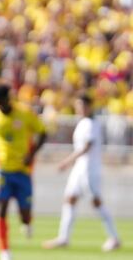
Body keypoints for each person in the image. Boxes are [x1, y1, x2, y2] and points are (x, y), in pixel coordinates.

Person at [43, 93, 121, 252]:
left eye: (82, 106)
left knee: (96, 202)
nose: (80, 108)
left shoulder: (92, 123)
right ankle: (63, 237)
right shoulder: (83, 122)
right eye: (78, 105)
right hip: (79, 168)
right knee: (70, 199)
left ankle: (114, 238)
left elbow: (86, 147)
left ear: (89, 106)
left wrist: (66, 162)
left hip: (89, 169)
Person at [0, 84, 47, 260]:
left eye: (5, 101)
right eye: (0, 102)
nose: (3, 105)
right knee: (1, 208)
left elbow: (43, 133)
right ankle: (4, 252)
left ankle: (27, 222)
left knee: (25, 214)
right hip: (2, 170)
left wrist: (31, 155)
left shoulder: (25, 113)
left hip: (23, 171)